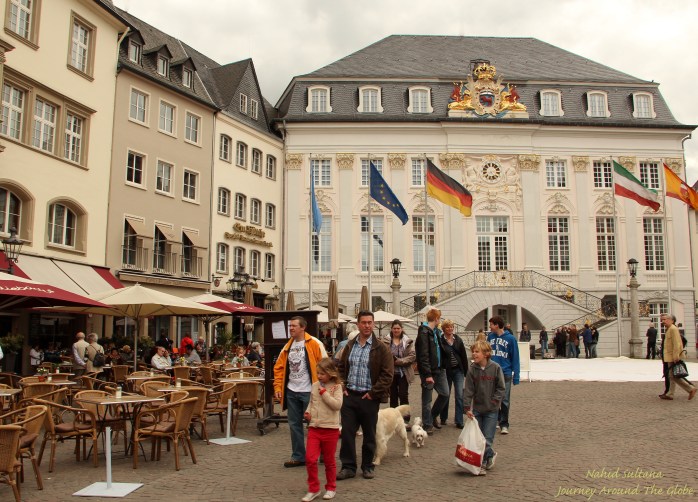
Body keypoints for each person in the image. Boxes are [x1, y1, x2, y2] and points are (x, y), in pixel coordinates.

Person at [336, 311, 393, 481]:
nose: (367, 325)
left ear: (373, 324)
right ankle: (348, 467)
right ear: (358, 324)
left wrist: (373, 393)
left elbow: (387, 375)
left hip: (368, 398)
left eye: (370, 322)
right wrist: (343, 386)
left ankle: (367, 466)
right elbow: (340, 368)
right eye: (364, 322)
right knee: (347, 433)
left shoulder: (381, 348)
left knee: (369, 434)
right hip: (350, 396)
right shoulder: (349, 345)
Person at [273, 316, 327, 468]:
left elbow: (325, 366)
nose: (291, 328)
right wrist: (278, 388)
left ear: (303, 327)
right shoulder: (287, 347)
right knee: (294, 424)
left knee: (315, 424)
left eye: (294, 326)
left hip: (310, 391)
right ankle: (298, 456)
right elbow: (278, 368)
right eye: (290, 326)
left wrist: (323, 388)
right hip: (291, 391)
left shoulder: (315, 344)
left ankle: (322, 452)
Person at [302, 357, 343, 501]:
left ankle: (331, 487)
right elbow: (312, 402)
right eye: (318, 373)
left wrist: (324, 393)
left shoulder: (337, 387)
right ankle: (313, 488)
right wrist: (308, 412)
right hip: (314, 427)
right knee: (310, 459)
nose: (319, 376)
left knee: (329, 461)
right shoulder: (314, 385)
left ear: (330, 373)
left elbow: (337, 405)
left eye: (322, 373)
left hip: (330, 428)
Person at [463, 340, 505, 476]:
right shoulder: (472, 369)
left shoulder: (495, 368)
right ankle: (485, 459)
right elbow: (468, 389)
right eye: (473, 351)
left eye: (477, 352)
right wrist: (467, 407)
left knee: (487, 439)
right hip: (477, 409)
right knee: (478, 439)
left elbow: (501, 387)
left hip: (491, 410)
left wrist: (495, 401)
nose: (474, 354)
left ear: (486, 354)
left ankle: (488, 456)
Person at [415, 307, 449, 435]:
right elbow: (423, 355)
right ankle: (427, 424)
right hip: (429, 371)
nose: (440, 320)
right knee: (427, 400)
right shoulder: (424, 332)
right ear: (436, 318)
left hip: (439, 369)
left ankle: (432, 416)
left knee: (445, 393)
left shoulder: (436, 332)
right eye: (439, 318)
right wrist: (427, 374)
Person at [487, 315, 519, 435]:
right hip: (492, 372)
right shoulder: (490, 337)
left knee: (505, 399)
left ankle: (504, 423)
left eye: (491, 324)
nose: (489, 327)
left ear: (496, 325)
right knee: (493, 398)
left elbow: (515, 357)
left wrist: (516, 375)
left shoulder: (510, 339)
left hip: (505, 372)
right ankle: (496, 419)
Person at [659, 314, 696, 401]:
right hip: (669, 356)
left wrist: (676, 356)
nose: (663, 321)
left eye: (665, 319)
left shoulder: (673, 329)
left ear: (671, 320)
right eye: (662, 320)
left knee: (673, 376)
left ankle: (690, 388)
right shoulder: (669, 329)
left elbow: (677, 343)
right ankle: (670, 394)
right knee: (671, 375)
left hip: (672, 356)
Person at [439, 319, 468, 429]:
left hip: (458, 370)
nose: (450, 329)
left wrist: (466, 372)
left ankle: (459, 420)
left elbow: (464, 356)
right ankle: (443, 417)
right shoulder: (441, 340)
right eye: (448, 327)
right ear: (444, 329)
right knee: (446, 394)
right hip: (446, 371)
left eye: (451, 327)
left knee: (459, 395)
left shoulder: (458, 339)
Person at [388, 320, 415, 417]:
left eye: (398, 328)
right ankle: (393, 418)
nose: (396, 330)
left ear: (402, 329)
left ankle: (405, 418)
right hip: (391, 373)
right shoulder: (387, 341)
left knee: (403, 395)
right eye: (394, 328)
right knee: (393, 397)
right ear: (391, 329)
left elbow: (412, 356)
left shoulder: (407, 341)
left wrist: (400, 361)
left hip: (404, 372)